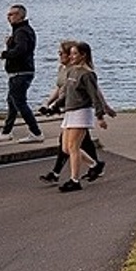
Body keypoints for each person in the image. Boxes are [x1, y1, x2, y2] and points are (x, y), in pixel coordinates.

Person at [39, 40, 116, 185]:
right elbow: (66, 93)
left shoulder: (88, 74)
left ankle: (74, 180)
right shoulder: (72, 71)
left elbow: (95, 96)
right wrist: (53, 106)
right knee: (65, 148)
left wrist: (100, 116)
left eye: (75, 54)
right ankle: (94, 165)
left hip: (81, 112)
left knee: (73, 147)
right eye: (71, 54)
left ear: (83, 55)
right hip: (70, 112)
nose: (71, 56)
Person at [0, 4, 44, 143]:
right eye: (8, 14)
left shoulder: (22, 31)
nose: (8, 17)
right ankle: (6, 131)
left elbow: (21, 50)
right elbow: (20, 48)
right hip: (20, 72)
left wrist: (4, 53)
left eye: (12, 14)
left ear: (20, 16)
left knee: (19, 102)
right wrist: (10, 44)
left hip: (21, 72)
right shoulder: (21, 31)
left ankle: (36, 132)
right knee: (12, 102)